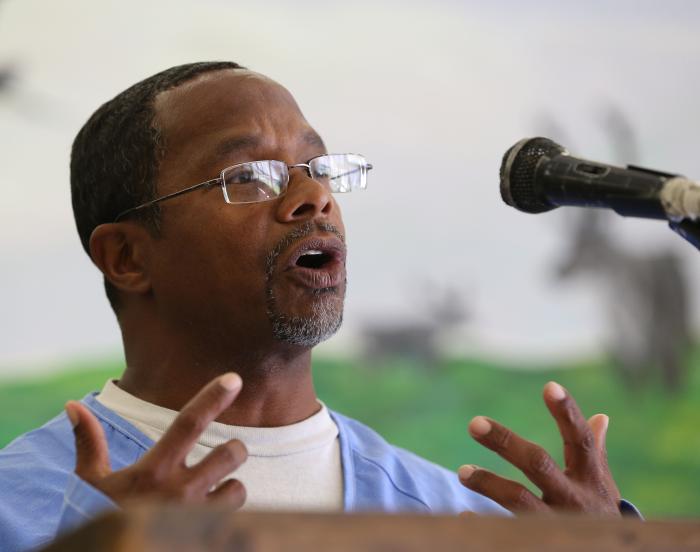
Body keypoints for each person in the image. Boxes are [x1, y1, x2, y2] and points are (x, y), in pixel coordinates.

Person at [0, 61, 637, 552]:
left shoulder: (458, 519)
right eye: (249, 175)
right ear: (127, 259)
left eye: (318, 167)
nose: (313, 198)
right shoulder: (16, 503)